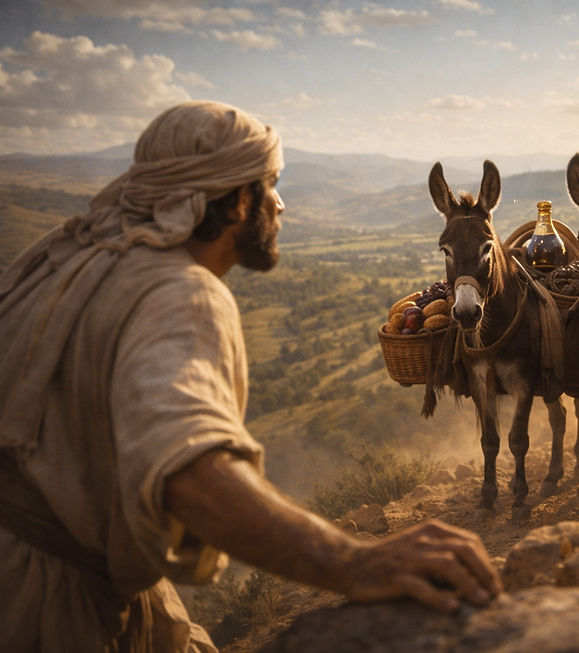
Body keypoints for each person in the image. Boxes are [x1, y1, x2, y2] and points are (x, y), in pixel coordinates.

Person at [0, 101, 502, 652]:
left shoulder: (69, 260)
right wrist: (355, 562)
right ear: (239, 201)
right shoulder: (180, 293)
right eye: (272, 187)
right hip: (55, 615)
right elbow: (191, 473)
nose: (282, 205)